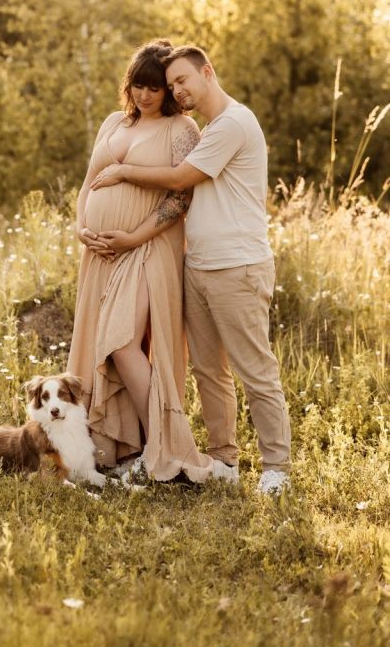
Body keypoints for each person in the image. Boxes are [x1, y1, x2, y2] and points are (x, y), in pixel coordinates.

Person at [91, 45, 291, 494]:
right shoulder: (209, 127)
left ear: (207, 72)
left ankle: (276, 466)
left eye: (183, 80)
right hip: (197, 265)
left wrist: (122, 171)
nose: (178, 89)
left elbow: (181, 179)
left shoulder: (235, 123)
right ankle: (223, 458)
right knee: (208, 370)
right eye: (173, 83)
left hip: (236, 265)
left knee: (254, 369)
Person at [68, 39, 214, 484]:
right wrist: (80, 227)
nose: (145, 95)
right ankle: (124, 449)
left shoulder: (181, 129)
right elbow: (88, 184)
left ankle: (165, 446)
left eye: (154, 87)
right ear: (127, 85)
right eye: (138, 85)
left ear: (168, 91)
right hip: (101, 255)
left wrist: (132, 237)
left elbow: (180, 197)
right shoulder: (113, 123)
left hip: (147, 249)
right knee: (102, 347)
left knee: (123, 342)